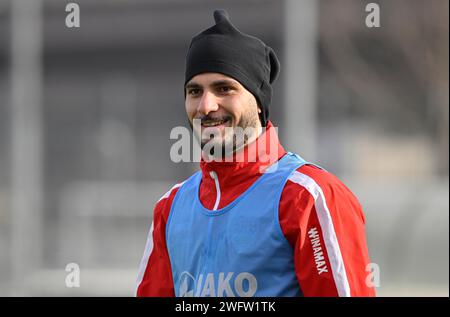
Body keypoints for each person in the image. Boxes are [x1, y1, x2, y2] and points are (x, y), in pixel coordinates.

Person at [136, 9, 376, 297]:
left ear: (259, 103)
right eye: (194, 91)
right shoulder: (171, 207)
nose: (206, 106)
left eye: (224, 88)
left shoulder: (308, 197)